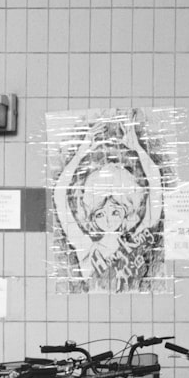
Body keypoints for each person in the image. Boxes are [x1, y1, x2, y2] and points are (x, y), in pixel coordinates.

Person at [52, 116, 166, 293]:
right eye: (100, 214)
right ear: (92, 216)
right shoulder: (87, 249)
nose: (108, 219)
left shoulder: (138, 239)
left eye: (115, 212)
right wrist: (81, 152)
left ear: (126, 211)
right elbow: (59, 195)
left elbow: (156, 186)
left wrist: (137, 148)